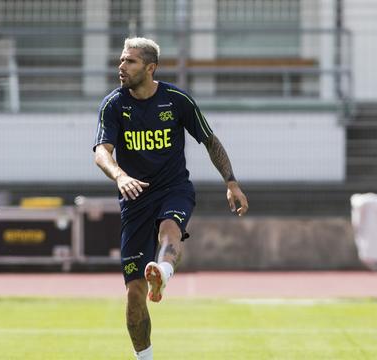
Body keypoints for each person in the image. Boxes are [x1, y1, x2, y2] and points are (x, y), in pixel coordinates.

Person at [93, 37, 249, 360]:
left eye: (130, 62)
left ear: (150, 68)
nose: (121, 67)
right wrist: (120, 176)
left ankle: (162, 271)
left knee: (171, 229)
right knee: (134, 296)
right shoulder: (113, 105)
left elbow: (209, 140)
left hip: (173, 189)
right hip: (134, 201)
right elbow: (101, 153)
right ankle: (145, 356)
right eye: (121, 60)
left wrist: (231, 182)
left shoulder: (177, 100)